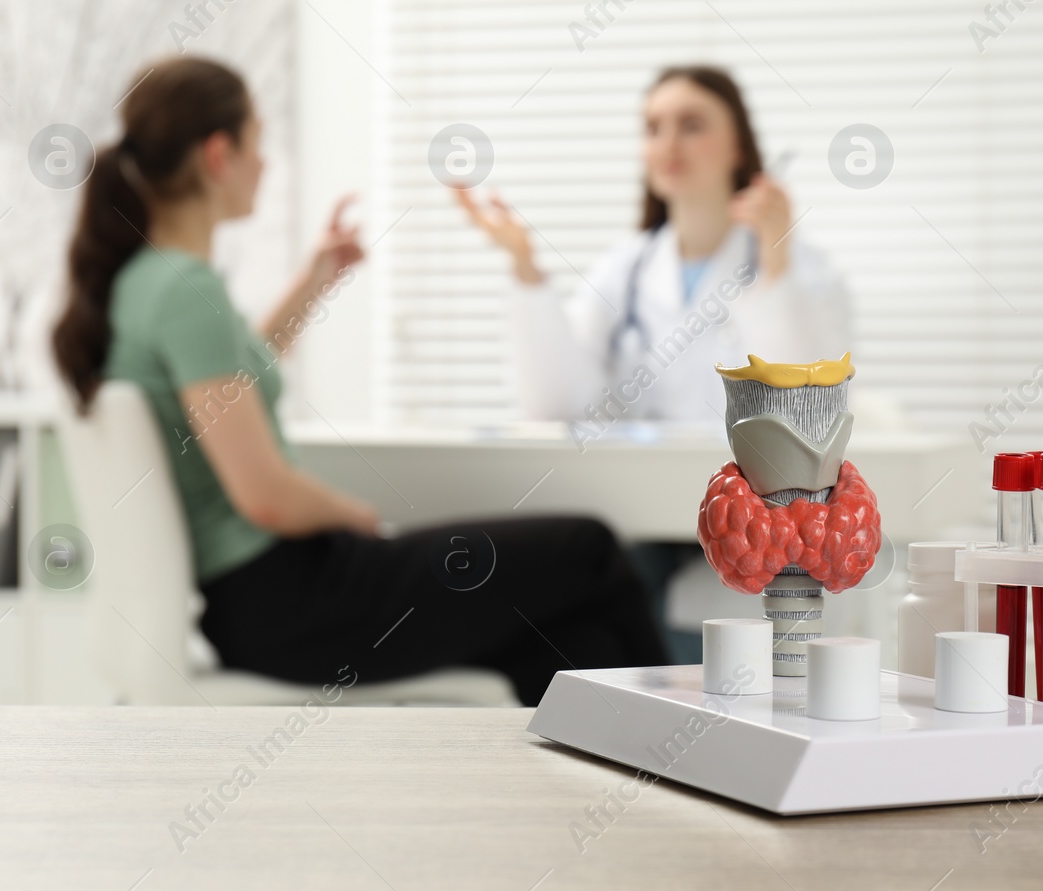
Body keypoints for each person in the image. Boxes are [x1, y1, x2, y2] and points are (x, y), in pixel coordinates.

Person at [51, 57, 667, 706]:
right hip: (292, 601)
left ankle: (627, 789)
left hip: (272, 605)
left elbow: (237, 375)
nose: (265, 164)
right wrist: (355, 515)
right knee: (590, 549)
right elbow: (265, 496)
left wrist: (315, 278)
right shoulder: (184, 288)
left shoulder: (147, 284)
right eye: (259, 143)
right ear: (218, 154)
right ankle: (689, 755)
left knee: (566, 631)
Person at [457, 65, 852, 427]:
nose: (669, 143)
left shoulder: (801, 268)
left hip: (749, 501)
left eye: (691, 125)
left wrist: (776, 271)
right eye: (653, 128)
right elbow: (558, 409)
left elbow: (807, 416)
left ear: (738, 148)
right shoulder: (622, 271)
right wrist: (524, 264)